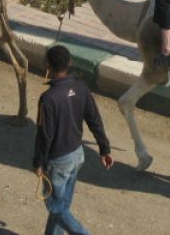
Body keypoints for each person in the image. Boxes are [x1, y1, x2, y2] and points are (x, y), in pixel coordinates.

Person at [34, 45, 112, 235]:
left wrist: (38, 162)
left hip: (58, 162)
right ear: (69, 63)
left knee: (56, 208)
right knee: (62, 206)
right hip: (77, 156)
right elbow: (95, 120)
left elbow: (46, 135)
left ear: (49, 67)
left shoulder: (48, 98)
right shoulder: (81, 88)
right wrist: (104, 149)